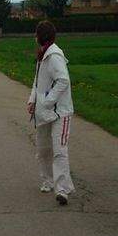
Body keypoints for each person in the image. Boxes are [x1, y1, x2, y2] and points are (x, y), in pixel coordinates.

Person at [27, 21, 75, 205]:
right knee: (43, 149)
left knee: (59, 150)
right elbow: (37, 81)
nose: (34, 37)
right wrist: (33, 100)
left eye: (36, 33)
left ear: (41, 36)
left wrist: (47, 102)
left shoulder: (54, 55)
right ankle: (47, 180)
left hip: (60, 112)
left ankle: (62, 189)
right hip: (44, 113)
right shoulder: (43, 55)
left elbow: (63, 80)